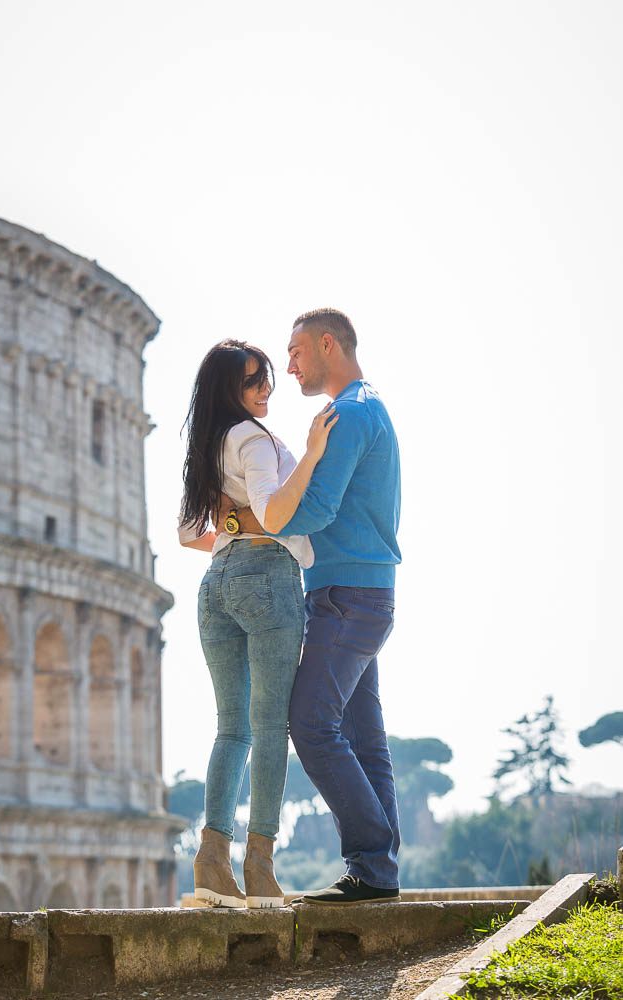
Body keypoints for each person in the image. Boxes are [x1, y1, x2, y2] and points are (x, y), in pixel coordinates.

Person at [227, 308, 402, 904]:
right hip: (360, 592)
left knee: (310, 724)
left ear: (329, 344)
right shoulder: (365, 407)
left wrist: (248, 519)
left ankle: (372, 862)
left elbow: (316, 510)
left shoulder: (348, 415)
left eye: (297, 351)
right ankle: (377, 872)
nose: (290, 365)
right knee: (362, 736)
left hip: (346, 597)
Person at [178, 338, 337, 908]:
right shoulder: (255, 438)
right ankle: (261, 869)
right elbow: (273, 512)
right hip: (267, 578)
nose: (265, 389)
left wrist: (231, 522)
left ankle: (210, 863)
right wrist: (314, 453)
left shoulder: (208, 445)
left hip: (216, 583)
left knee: (231, 729)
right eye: (252, 381)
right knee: (270, 729)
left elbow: (189, 532)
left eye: (266, 378)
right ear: (229, 390)